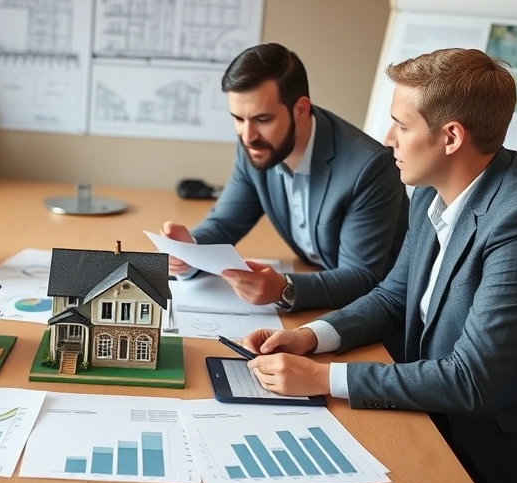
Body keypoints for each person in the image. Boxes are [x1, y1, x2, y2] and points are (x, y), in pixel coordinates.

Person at [242, 48, 517, 483]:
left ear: (451, 137)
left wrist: (322, 377)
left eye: (402, 126)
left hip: (514, 454)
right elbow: (393, 296)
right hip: (438, 421)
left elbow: (469, 378)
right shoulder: (429, 192)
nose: (388, 138)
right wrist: (310, 336)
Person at [163, 43, 408, 312]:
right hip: (320, 287)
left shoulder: (369, 168)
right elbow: (225, 223)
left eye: (263, 119)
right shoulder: (255, 146)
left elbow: (361, 277)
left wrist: (285, 288)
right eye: (238, 119)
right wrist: (190, 252)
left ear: (301, 109)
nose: (247, 136)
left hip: (378, 311)